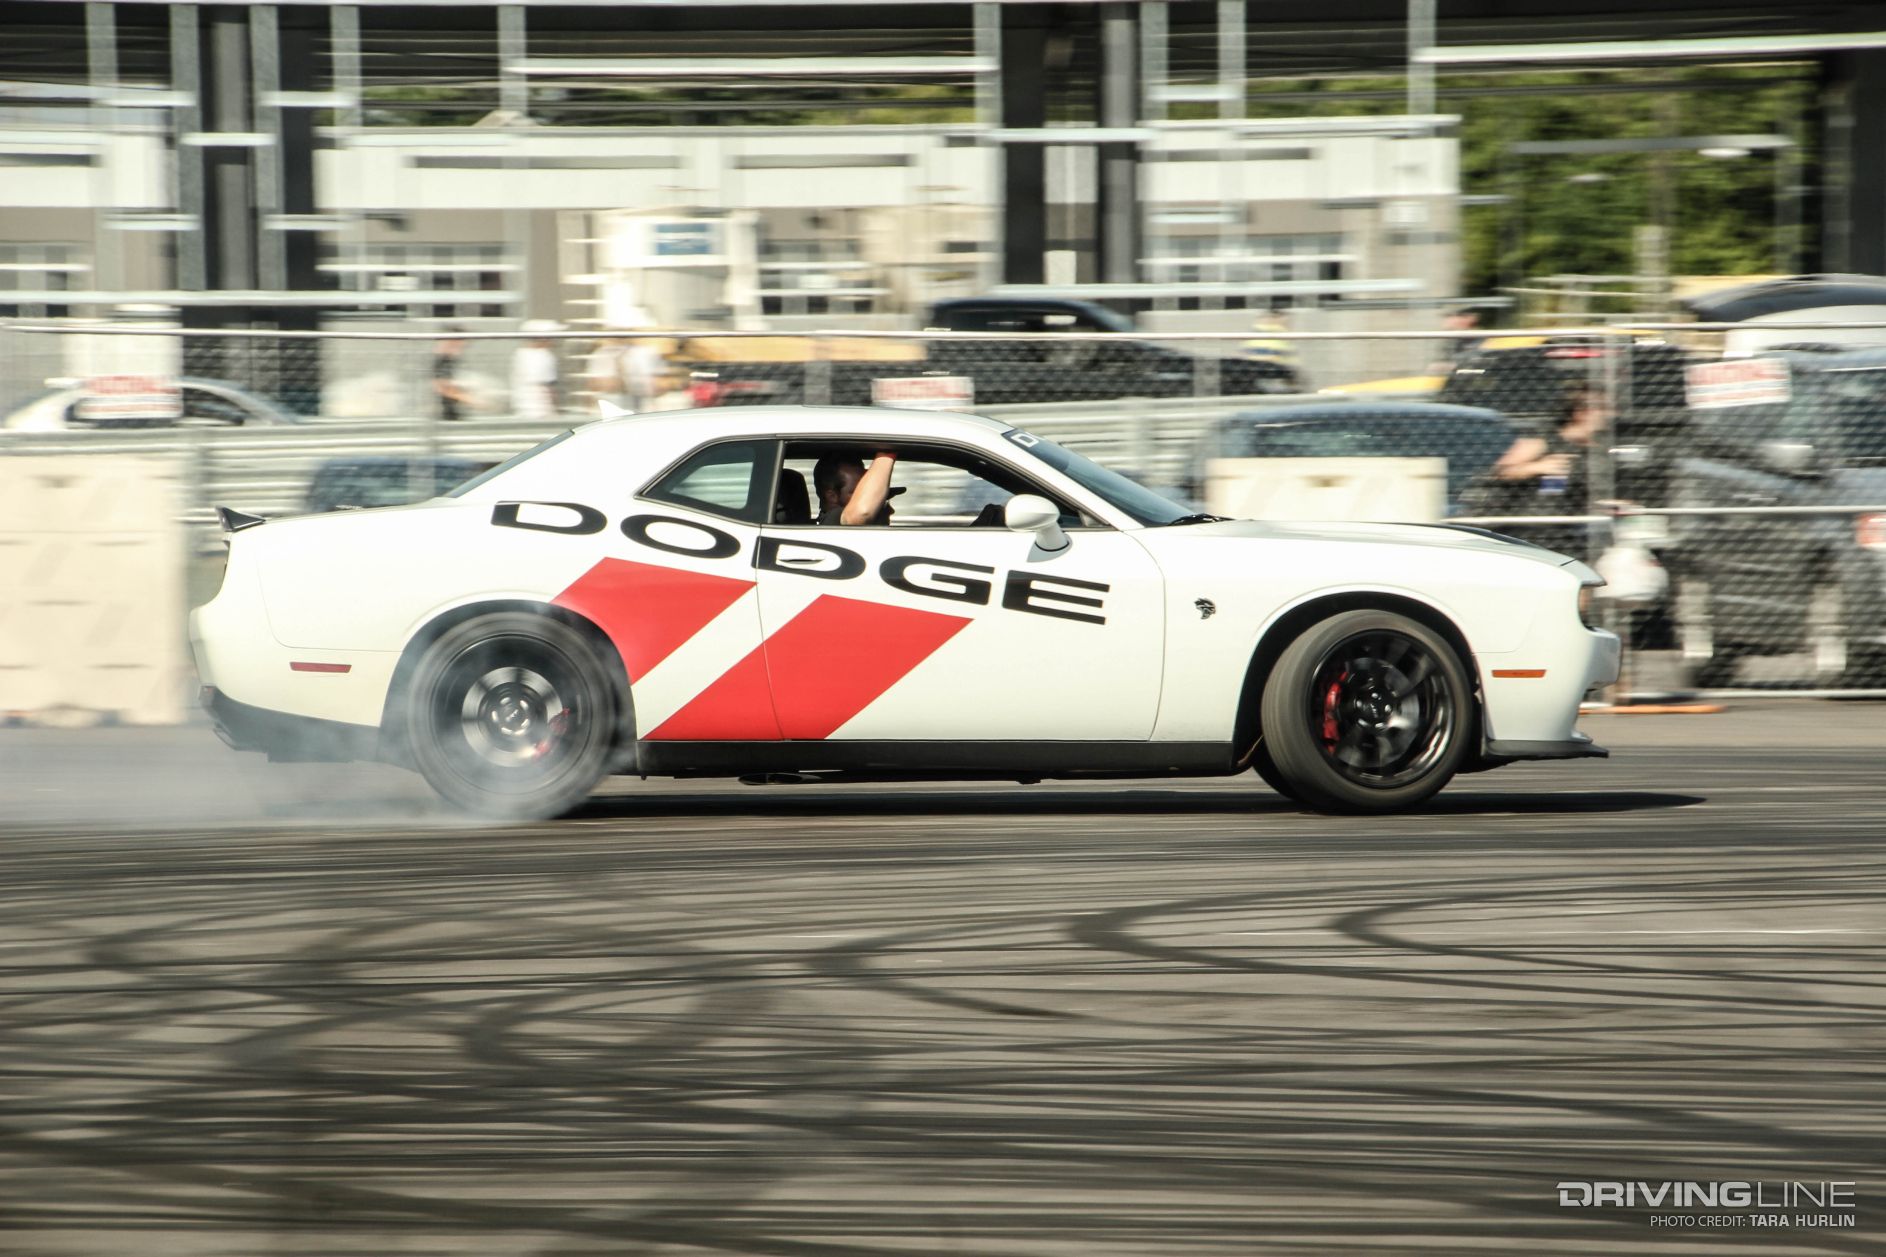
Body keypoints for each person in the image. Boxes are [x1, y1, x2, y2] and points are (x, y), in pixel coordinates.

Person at [813, 450, 898, 526]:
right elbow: (862, 513)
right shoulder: (832, 521)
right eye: (859, 493)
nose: (891, 510)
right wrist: (887, 453)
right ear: (832, 496)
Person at [511, 319, 562, 420]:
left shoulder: (520, 354)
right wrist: (554, 409)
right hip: (541, 411)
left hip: (523, 410)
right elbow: (547, 387)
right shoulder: (543, 355)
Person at [431, 327, 473, 421]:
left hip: (452, 413)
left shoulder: (449, 360)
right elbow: (442, 387)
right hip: (443, 416)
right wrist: (469, 399)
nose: (461, 349)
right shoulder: (442, 361)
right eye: (459, 345)